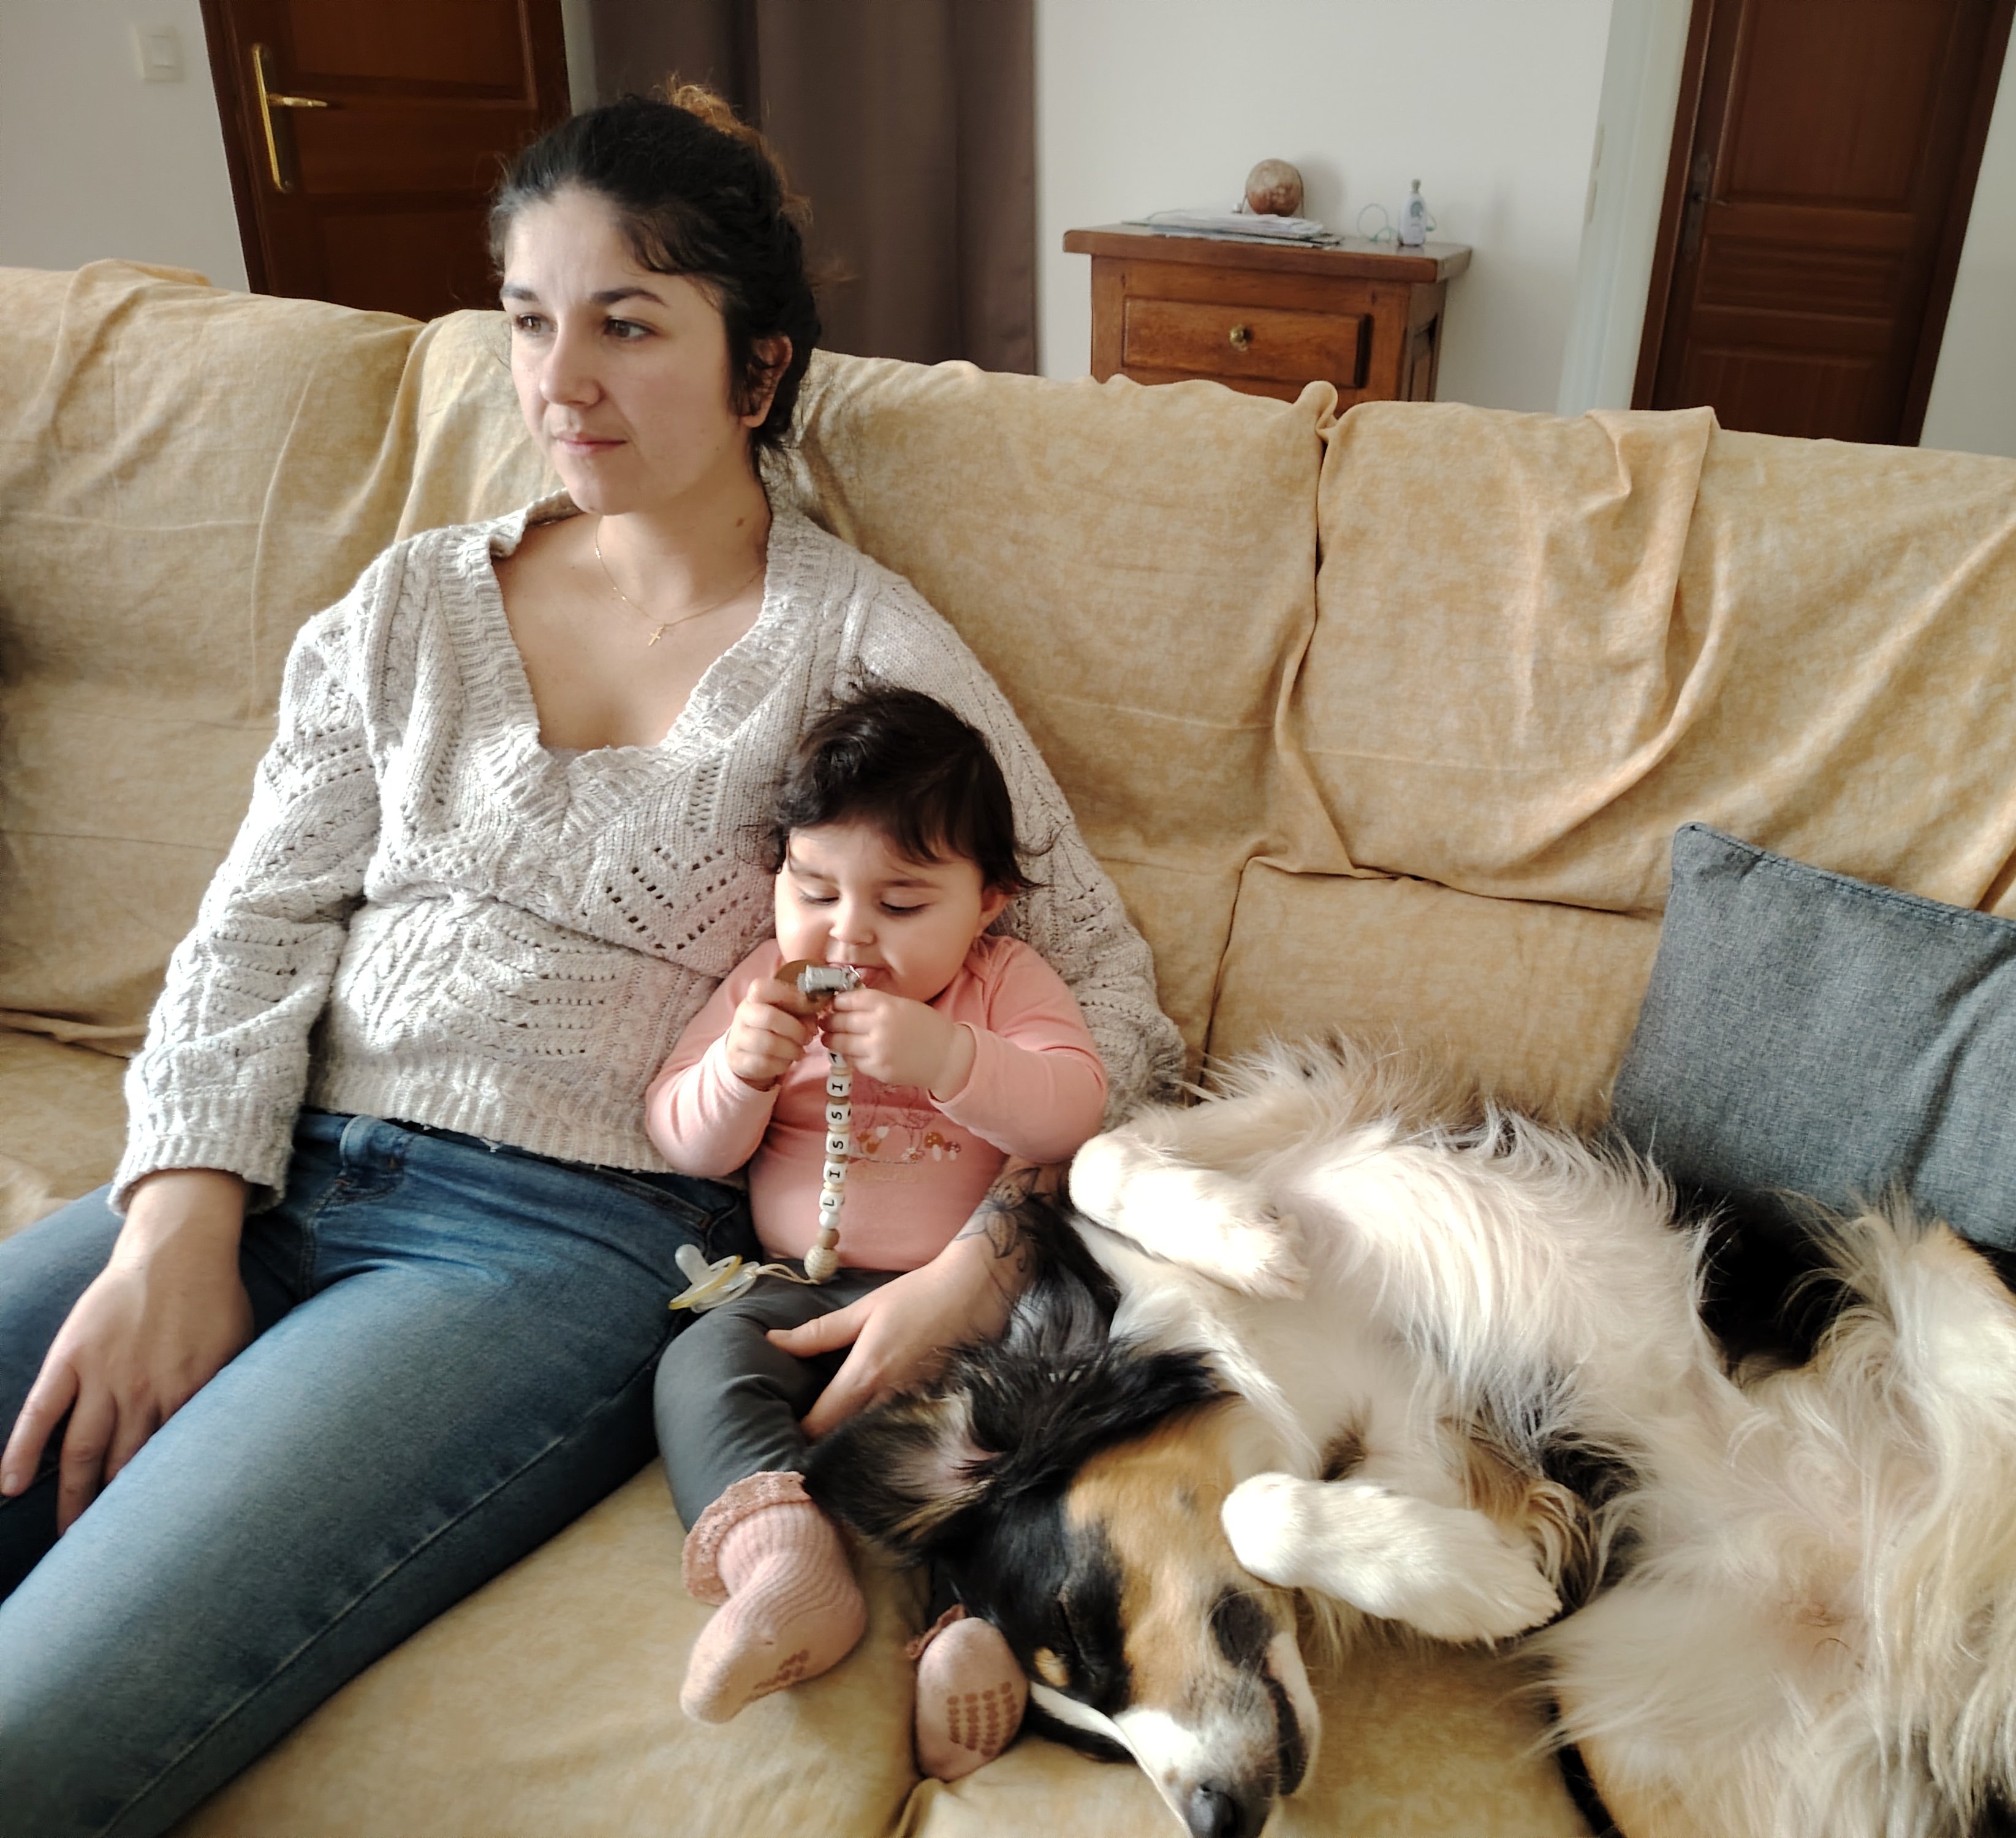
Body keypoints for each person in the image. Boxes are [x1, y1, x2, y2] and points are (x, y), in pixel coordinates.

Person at [0, 88, 1177, 1837]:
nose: (561, 381)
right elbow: (252, 923)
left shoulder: (865, 647)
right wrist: (178, 1214)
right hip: (265, 1164)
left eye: (627, 325)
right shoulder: (406, 605)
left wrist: (985, 1264)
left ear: (757, 370)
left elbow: (1118, 1008)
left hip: (542, 1251)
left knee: (35, 1728)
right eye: (529, 319)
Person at [647, 686, 1092, 1763]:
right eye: (814, 891)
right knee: (702, 1367)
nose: (848, 932)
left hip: (983, 1312)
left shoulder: (1002, 983)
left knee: (1035, 1431)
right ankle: (781, 1555)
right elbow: (683, 1138)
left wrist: (950, 1058)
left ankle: (978, 1630)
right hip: (799, 1292)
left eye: (901, 904)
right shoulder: (765, 989)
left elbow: (1074, 1110)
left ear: (987, 904)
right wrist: (739, 1074)